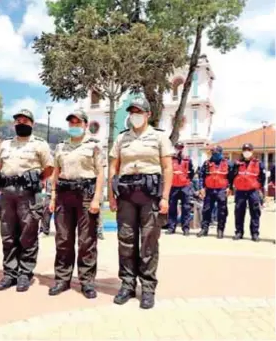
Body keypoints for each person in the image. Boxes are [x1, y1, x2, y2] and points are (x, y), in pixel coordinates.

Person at [108, 97, 173, 309]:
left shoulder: (159, 137)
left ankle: (147, 288)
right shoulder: (122, 138)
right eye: (132, 111)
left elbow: (167, 168)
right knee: (125, 240)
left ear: (148, 114)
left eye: (139, 111)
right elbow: (113, 167)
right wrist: (111, 195)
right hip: (126, 194)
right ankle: (127, 284)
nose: (135, 115)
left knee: (148, 242)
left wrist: (164, 197)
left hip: (150, 195)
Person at [0, 109, 54, 292]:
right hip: (8, 193)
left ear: (32, 123)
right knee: (8, 234)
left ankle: (25, 273)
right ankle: (10, 273)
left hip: (28, 194)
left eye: (25, 121)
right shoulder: (5, 145)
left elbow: (49, 168)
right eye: (18, 120)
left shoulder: (39, 144)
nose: (21, 123)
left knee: (28, 235)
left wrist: (36, 180)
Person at [48, 110, 104, 299]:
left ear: (85, 125)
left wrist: (97, 198)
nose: (74, 126)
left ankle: (87, 282)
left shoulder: (94, 146)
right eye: (71, 123)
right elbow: (55, 173)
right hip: (64, 194)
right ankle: (62, 279)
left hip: (86, 195)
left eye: (77, 123)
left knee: (86, 241)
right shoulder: (61, 147)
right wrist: (53, 196)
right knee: (63, 239)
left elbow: (100, 173)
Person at [231, 143, 265, 242]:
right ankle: (239, 232)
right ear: (242, 151)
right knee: (239, 212)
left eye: (248, 150)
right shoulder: (237, 164)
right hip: (240, 191)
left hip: (253, 191)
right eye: (245, 150)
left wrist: (260, 189)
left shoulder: (258, 163)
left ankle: (254, 233)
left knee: (255, 212)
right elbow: (232, 176)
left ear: (252, 151)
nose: (246, 152)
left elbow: (262, 178)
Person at [197, 145, 233, 239]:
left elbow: (232, 177)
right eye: (213, 153)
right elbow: (201, 176)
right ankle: (204, 229)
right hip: (209, 190)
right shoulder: (206, 163)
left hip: (221, 190)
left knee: (222, 211)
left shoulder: (228, 164)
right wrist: (201, 188)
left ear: (221, 153)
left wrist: (230, 188)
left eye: (216, 153)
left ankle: (220, 230)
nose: (214, 154)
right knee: (206, 210)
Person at [166, 142, 194, 236]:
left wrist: (187, 182)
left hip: (184, 186)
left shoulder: (188, 160)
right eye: (177, 147)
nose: (179, 149)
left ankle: (185, 228)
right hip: (173, 186)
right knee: (172, 207)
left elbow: (191, 173)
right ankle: (171, 227)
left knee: (186, 208)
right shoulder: (170, 159)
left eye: (181, 147)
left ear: (183, 148)